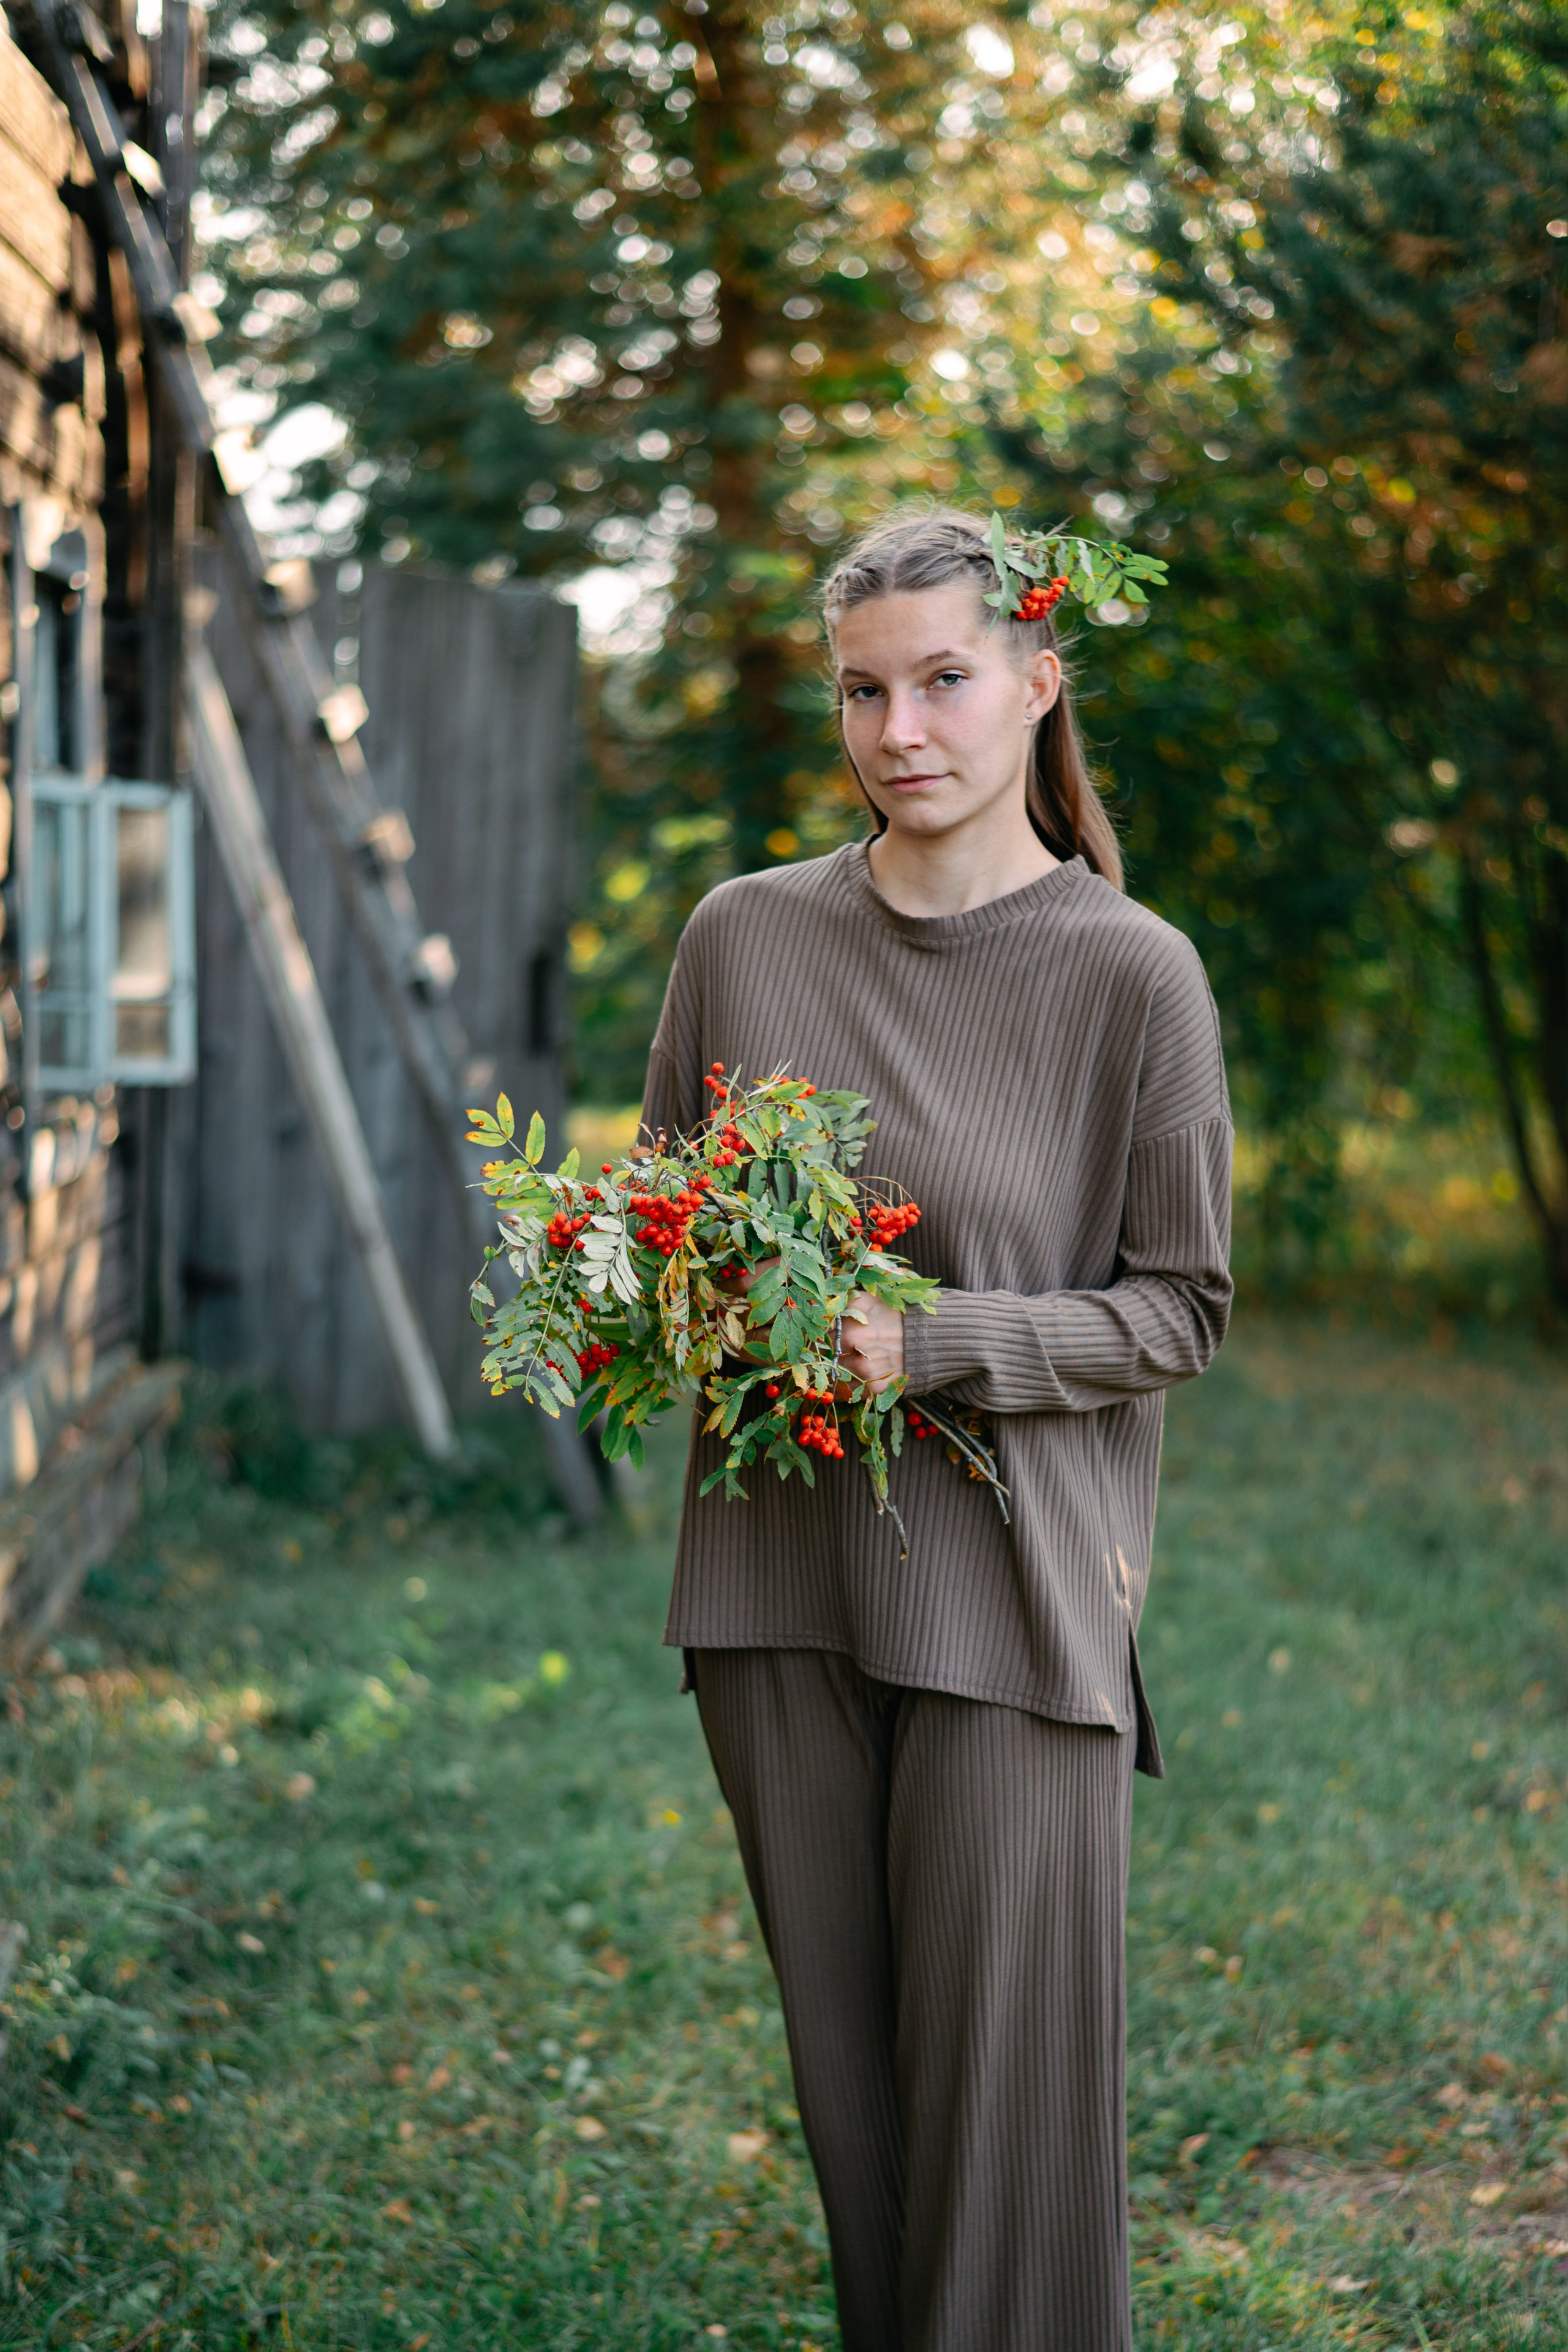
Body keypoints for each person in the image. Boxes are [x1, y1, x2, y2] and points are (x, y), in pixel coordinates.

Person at [639, 505, 1232, 2352]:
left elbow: (1178, 1309)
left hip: (1013, 1605)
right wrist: (667, 1299)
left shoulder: (1137, 973)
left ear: (1038, 685)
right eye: (864, 691)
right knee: (868, 2141)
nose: (902, 728)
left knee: (1005, 2153)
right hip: (777, 1595)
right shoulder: (743, 939)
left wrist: (932, 1343)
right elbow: (662, 1225)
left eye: (945, 680)